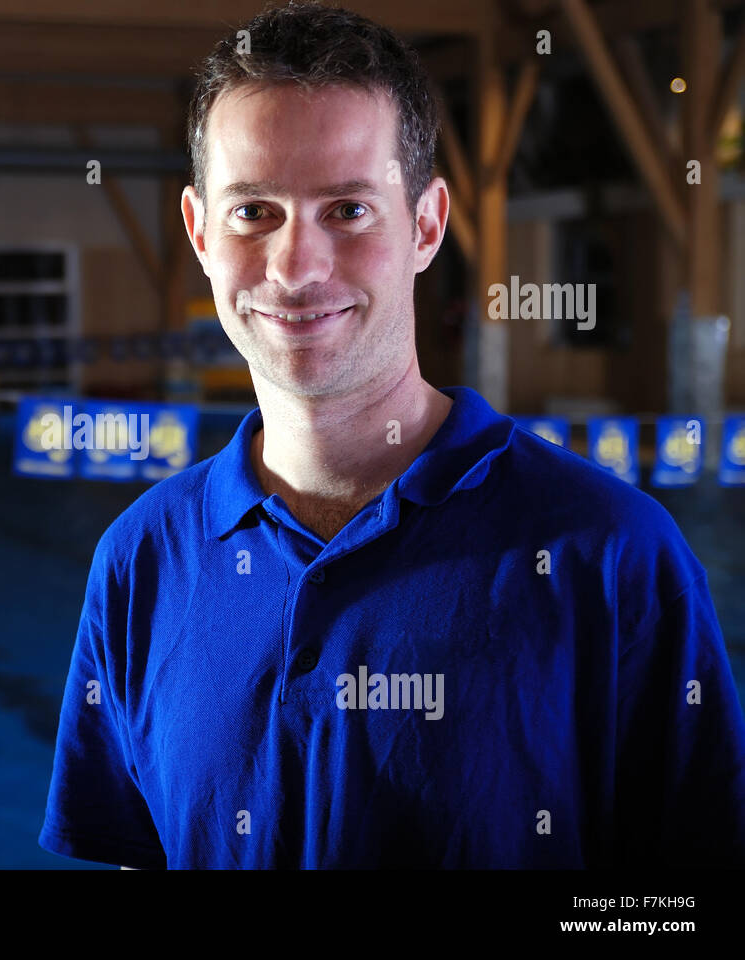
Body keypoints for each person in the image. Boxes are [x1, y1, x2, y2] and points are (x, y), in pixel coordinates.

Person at [38, 0, 745, 868]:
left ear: (426, 224)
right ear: (198, 233)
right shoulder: (142, 559)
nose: (297, 266)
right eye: (253, 211)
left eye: (348, 209)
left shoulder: (611, 555)